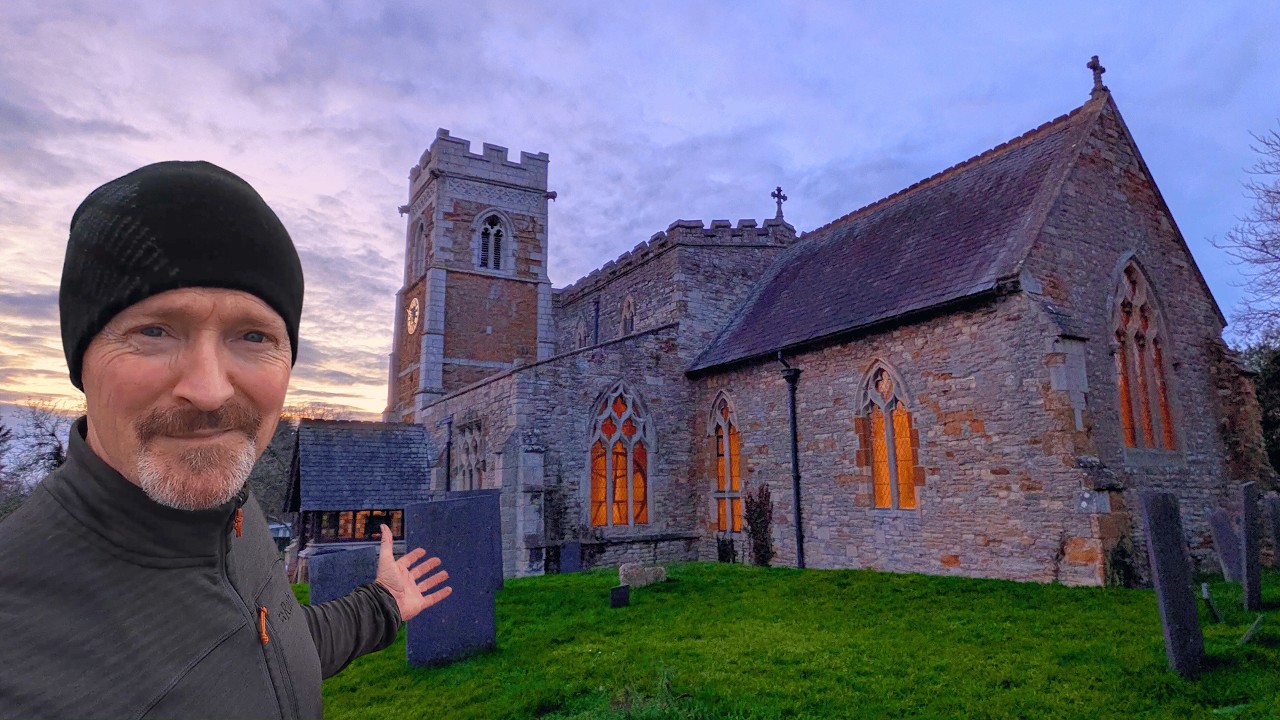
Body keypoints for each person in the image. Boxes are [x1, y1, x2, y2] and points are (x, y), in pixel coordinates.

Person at [0, 161, 451, 719]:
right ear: (82, 358)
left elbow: (263, 648)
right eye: (154, 331)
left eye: (254, 335)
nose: (210, 391)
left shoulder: (231, 509)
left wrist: (382, 606)